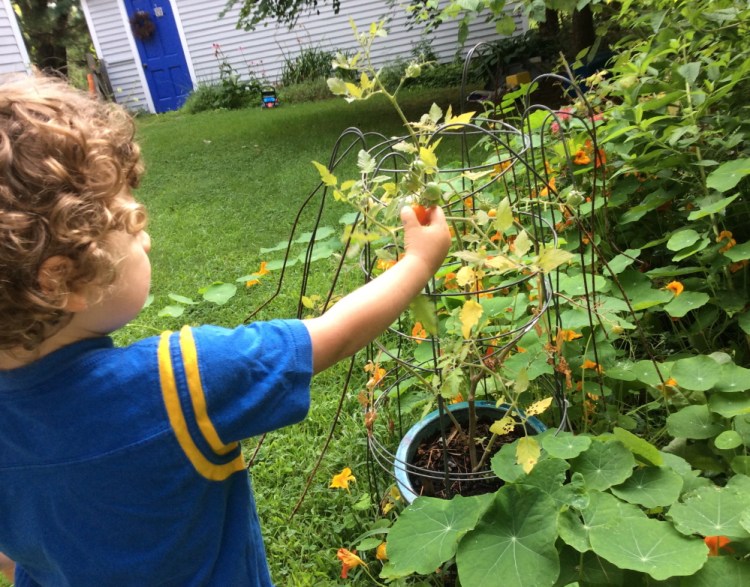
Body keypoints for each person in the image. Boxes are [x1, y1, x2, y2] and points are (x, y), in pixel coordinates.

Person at [0, 74, 451, 586]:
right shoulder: (178, 384)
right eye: (132, 225)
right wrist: (419, 261)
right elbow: (333, 334)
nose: (146, 241)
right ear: (62, 280)